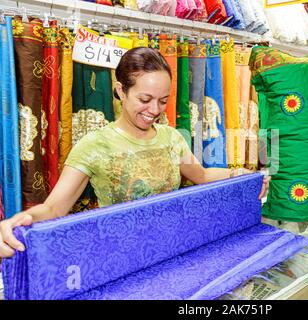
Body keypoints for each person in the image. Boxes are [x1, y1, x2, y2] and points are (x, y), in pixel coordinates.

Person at [0, 47, 269, 258]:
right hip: (119, 253)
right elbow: (54, 207)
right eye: (144, 99)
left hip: (171, 246)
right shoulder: (95, 145)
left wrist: (242, 174)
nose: (154, 110)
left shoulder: (171, 137)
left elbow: (201, 175)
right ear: (121, 91)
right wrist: (20, 220)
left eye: (163, 101)